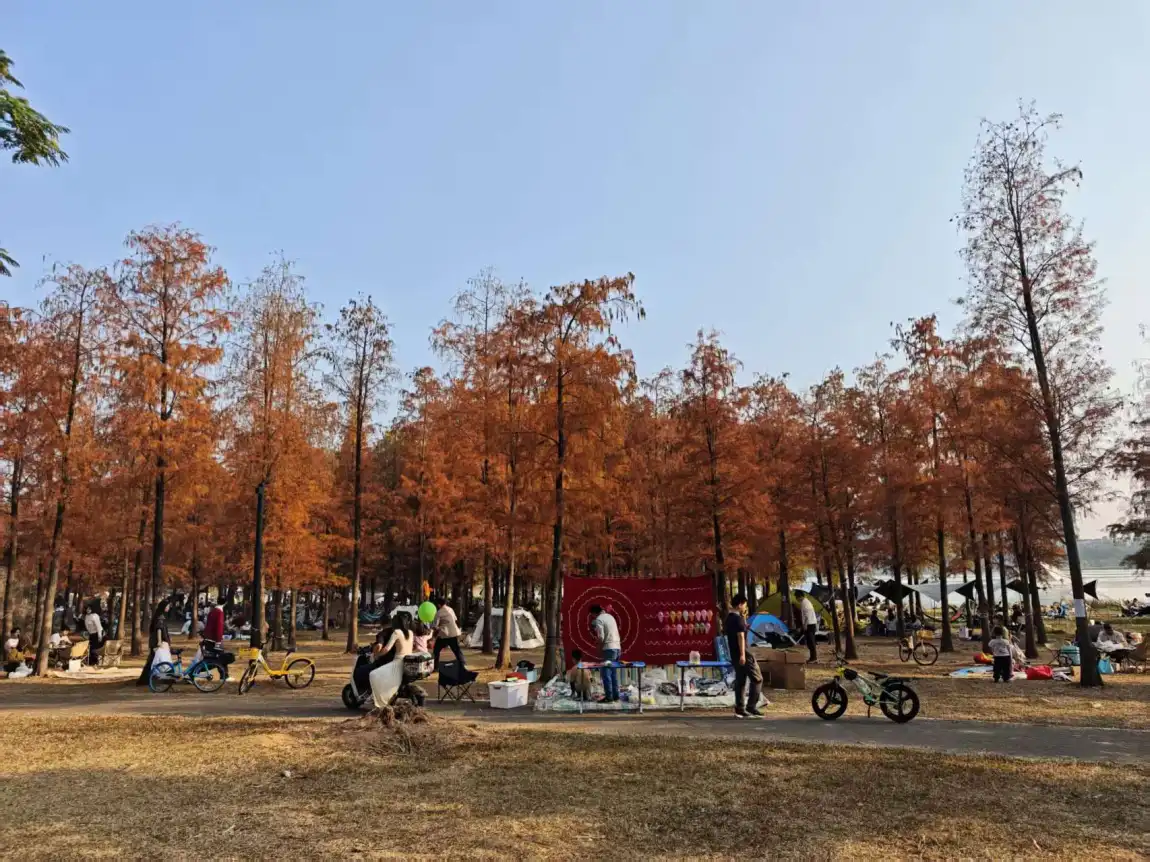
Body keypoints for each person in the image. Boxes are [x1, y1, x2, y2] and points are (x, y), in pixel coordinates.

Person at [726, 593, 764, 719]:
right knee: (757, 678)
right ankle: (751, 706)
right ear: (740, 604)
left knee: (741, 680)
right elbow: (741, 637)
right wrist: (743, 654)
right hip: (743, 653)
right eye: (745, 605)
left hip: (733, 653)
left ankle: (740, 708)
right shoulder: (738, 619)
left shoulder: (729, 618)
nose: (745, 608)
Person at [368, 612, 414, 709]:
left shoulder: (396, 632)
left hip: (397, 662)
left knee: (373, 674)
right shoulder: (410, 632)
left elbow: (386, 649)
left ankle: (380, 701)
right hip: (407, 661)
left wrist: (377, 655)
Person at [589, 604, 622, 703]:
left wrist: (598, 646)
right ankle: (615, 696)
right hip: (617, 647)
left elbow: (601, 637)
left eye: (592, 615)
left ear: (594, 613)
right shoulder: (610, 617)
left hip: (609, 648)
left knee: (606, 673)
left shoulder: (599, 619)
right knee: (613, 673)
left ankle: (609, 697)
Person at [137, 598, 172, 685]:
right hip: (157, 642)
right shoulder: (160, 617)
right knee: (158, 661)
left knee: (154, 660)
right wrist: (159, 641)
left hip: (155, 642)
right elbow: (159, 629)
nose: (168, 608)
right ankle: (147, 680)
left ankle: (146, 679)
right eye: (167, 606)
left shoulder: (160, 615)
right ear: (163, 607)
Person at [431, 596, 465, 669]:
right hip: (454, 633)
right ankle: (462, 663)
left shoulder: (438, 613)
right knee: (456, 650)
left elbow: (435, 626)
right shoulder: (450, 609)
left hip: (444, 634)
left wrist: (434, 629)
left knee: (436, 650)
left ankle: (436, 667)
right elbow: (455, 619)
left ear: (438, 604)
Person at [796, 591, 819, 663]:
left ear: (800, 597)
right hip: (811, 623)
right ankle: (812, 657)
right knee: (810, 642)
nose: (797, 599)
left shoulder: (805, 603)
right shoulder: (805, 602)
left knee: (811, 642)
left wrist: (805, 625)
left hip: (810, 624)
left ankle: (813, 658)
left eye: (797, 598)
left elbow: (807, 615)